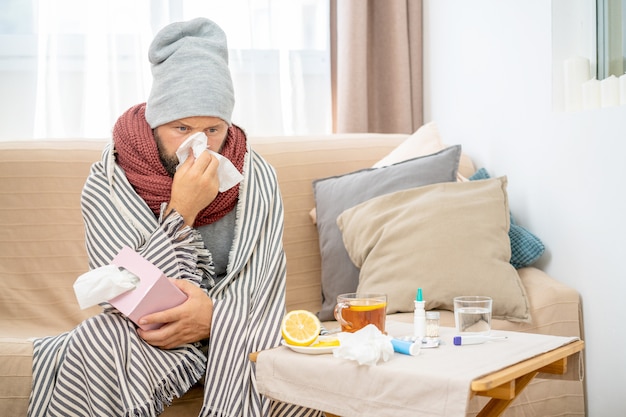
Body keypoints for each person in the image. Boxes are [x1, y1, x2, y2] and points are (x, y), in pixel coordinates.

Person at [28, 17, 322, 417]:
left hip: (232, 332)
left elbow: (264, 288)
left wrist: (214, 319)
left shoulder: (255, 175)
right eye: (181, 127)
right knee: (99, 338)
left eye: (213, 129)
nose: (198, 143)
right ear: (154, 122)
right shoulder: (112, 176)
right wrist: (182, 210)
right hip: (148, 332)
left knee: (283, 361)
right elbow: (117, 289)